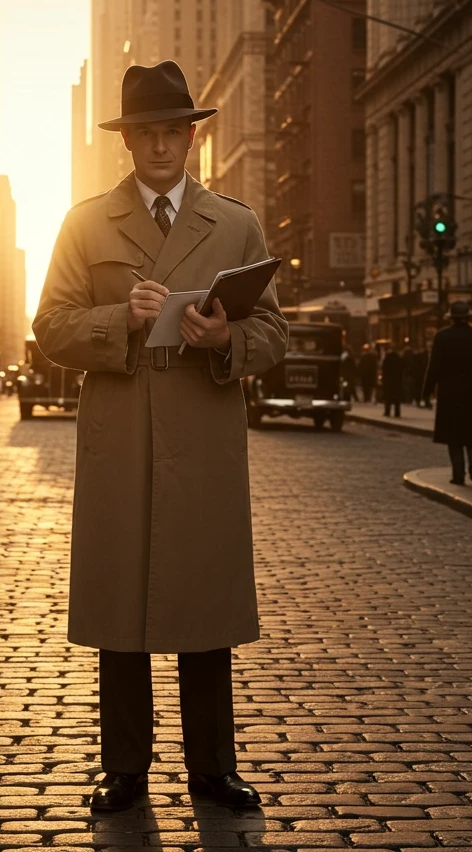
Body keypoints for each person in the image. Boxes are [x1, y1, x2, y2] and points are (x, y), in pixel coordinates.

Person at [33, 59, 288, 814]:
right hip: (121, 433)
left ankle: (213, 767)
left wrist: (221, 337)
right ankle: (125, 770)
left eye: (173, 130)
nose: (161, 144)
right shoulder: (85, 222)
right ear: (129, 141)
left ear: (192, 137)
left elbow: (274, 331)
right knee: (123, 611)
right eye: (147, 132)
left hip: (204, 436)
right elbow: (49, 326)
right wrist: (123, 320)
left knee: (204, 609)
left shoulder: (237, 223)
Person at [421, 300, 472, 485]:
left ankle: (458, 473)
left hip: (450, 394)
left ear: (451, 318)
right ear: (468, 317)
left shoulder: (442, 337)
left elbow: (434, 368)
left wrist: (426, 392)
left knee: (453, 436)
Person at [379, 340, 403, 418]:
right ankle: (397, 412)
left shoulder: (388, 357)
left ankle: (387, 411)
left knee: (388, 397)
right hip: (396, 380)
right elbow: (401, 369)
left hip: (388, 380)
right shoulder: (398, 357)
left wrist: (383, 378)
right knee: (397, 398)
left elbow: (384, 368)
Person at [412, 343, 430, 408]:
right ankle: (424, 401)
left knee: (420, 388)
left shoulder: (419, 356)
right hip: (421, 375)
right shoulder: (423, 356)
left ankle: (423, 401)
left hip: (420, 375)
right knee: (421, 388)